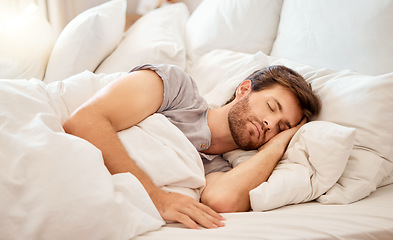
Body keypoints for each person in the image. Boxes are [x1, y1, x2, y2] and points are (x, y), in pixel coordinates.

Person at [63, 64, 321, 230]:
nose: (269, 123)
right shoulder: (178, 91)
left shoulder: (218, 167)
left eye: (281, 126)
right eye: (271, 107)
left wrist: (277, 145)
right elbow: (84, 121)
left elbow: (222, 200)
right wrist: (156, 197)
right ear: (244, 90)